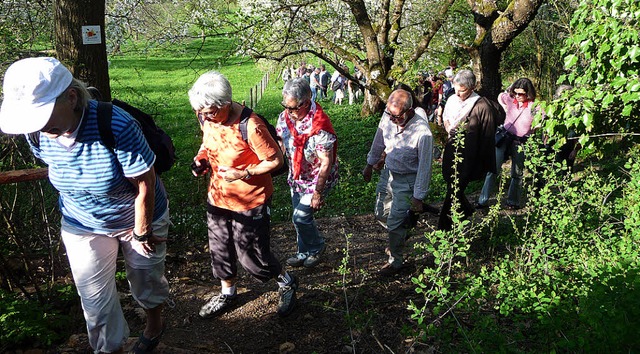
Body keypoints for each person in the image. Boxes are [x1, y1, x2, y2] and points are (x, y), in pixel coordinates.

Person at [0, 57, 170, 353]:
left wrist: (142, 232)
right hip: (81, 222)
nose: (39, 127)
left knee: (146, 280)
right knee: (94, 300)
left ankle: (154, 325)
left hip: (137, 217)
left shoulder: (116, 125)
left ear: (71, 97)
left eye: (42, 116)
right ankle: (108, 349)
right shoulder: (36, 133)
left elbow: (145, 183)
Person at [189, 71, 298, 318]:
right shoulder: (206, 115)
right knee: (220, 249)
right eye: (202, 113)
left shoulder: (251, 125)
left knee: (252, 257)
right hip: (218, 196)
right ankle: (228, 293)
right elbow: (208, 143)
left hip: (251, 199)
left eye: (211, 112)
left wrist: (243, 173)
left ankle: (286, 281)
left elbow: (274, 160)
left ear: (226, 104)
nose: (206, 117)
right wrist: (201, 160)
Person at [362, 89, 433, 276]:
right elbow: (378, 143)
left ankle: (396, 260)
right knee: (380, 213)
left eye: (397, 116)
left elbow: (425, 167)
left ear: (409, 110)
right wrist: (370, 164)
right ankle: (400, 231)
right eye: (389, 114)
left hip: (408, 180)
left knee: (394, 223)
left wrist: (418, 197)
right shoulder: (388, 117)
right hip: (388, 173)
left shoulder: (423, 133)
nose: (392, 119)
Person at [276, 78, 339, 268]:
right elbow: (280, 141)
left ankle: (317, 247)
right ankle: (303, 252)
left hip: (317, 178)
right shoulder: (285, 117)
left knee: (301, 216)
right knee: (298, 218)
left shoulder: (319, 125)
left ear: (308, 99)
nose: (291, 112)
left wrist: (318, 193)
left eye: (295, 107)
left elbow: (326, 162)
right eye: (287, 107)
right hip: (297, 176)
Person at [439, 69, 503, 230]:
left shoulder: (481, 105)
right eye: (456, 90)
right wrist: (448, 129)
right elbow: (446, 118)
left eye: (463, 91)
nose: (458, 94)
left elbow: (487, 135)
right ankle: (467, 212)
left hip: (469, 154)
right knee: (452, 185)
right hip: (451, 149)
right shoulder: (452, 99)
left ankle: (444, 227)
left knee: (455, 189)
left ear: (472, 87)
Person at [476, 77, 538, 210]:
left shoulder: (535, 106)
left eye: (521, 94)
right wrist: (505, 105)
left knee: (517, 172)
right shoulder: (509, 99)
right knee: (493, 169)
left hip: (521, 142)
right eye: (515, 93)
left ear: (528, 93)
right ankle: (483, 200)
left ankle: (513, 201)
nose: (517, 96)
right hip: (504, 138)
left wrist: (534, 129)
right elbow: (500, 96)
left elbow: (543, 120)